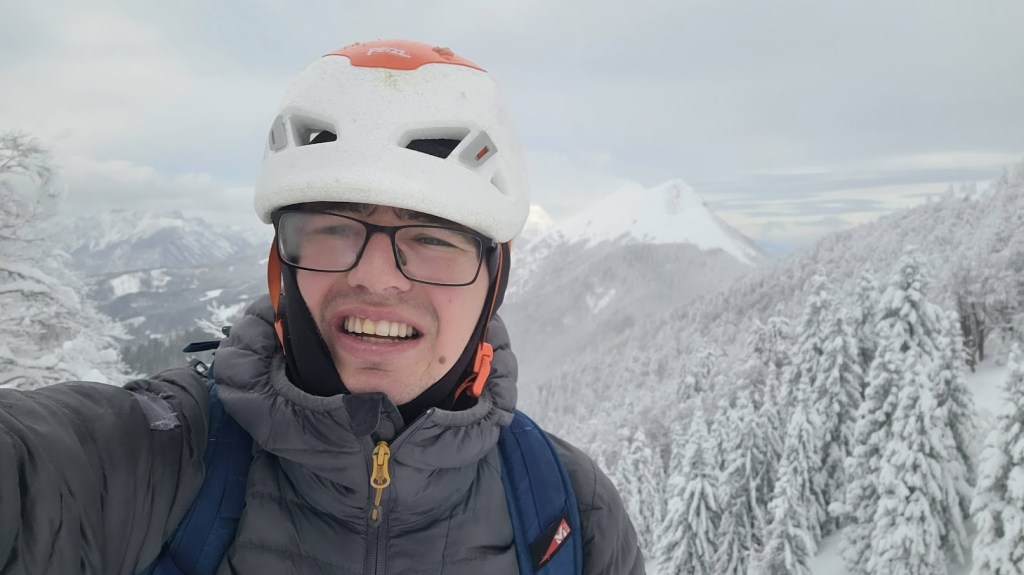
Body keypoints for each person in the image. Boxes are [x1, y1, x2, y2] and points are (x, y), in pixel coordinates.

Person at [0, 39, 643, 574]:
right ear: (282, 264)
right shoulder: (147, 461)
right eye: (334, 227)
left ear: (492, 281)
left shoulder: (569, 518)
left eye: (433, 239)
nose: (376, 278)